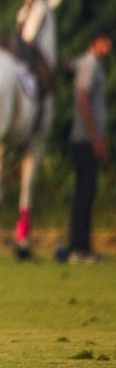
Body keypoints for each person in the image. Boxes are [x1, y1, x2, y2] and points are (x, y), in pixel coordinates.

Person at [59, 31, 110, 263]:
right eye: (104, 41)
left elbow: (69, 65)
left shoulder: (85, 63)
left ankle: (80, 246)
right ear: (94, 43)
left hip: (86, 138)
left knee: (86, 193)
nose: (107, 46)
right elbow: (83, 97)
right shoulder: (91, 65)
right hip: (85, 139)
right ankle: (79, 248)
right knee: (85, 193)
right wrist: (96, 137)